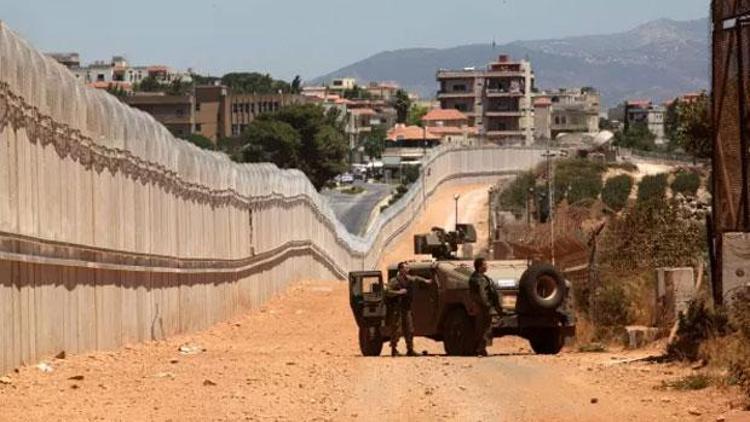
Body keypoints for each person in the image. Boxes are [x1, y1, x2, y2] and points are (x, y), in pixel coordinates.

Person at [387, 261, 432, 357]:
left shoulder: (408, 279)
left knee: (409, 329)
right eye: (406, 268)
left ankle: (410, 349)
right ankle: (394, 349)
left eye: (408, 268)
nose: (408, 269)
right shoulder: (394, 281)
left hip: (406, 308)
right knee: (397, 329)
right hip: (397, 309)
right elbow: (387, 292)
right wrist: (399, 292)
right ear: (400, 269)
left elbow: (416, 279)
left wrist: (426, 281)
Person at [468, 257, 503, 356]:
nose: (486, 266)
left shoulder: (476, 277)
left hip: (478, 306)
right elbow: (482, 293)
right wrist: (487, 305)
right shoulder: (480, 279)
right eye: (484, 265)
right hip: (483, 307)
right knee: (485, 328)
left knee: (480, 328)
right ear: (479, 267)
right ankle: (480, 349)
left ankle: (479, 349)